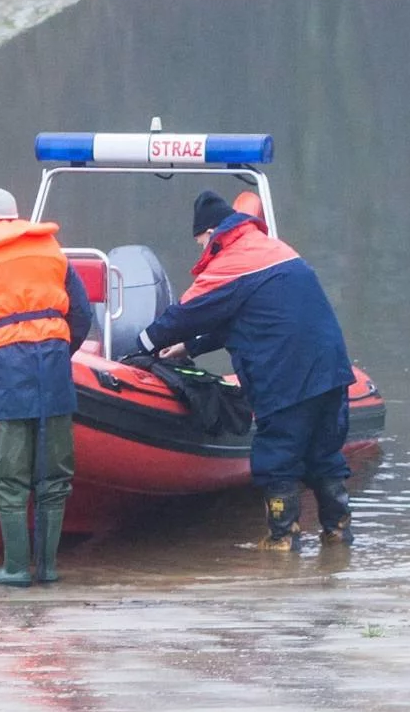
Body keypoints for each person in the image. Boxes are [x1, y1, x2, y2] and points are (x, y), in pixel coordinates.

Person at [141, 188, 355, 549]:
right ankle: (337, 535)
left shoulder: (231, 261)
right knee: (324, 454)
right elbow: (245, 317)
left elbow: (184, 314)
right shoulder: (275, 250)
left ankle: (283, 539)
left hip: (287, 377)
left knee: (277, 457)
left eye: (201, 241)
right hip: (331, 369)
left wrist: (141, 345)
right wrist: (190, 347)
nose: (201, 249)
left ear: (211, 233)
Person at [0, 186, 95, 587]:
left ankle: (14, 569)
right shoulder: (51, 252)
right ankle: (48, 568)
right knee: (53, 476)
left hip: (1, 380)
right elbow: (81, 314)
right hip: (54, 376)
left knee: (9, 479)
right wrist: (58, 350)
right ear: (15, 217)